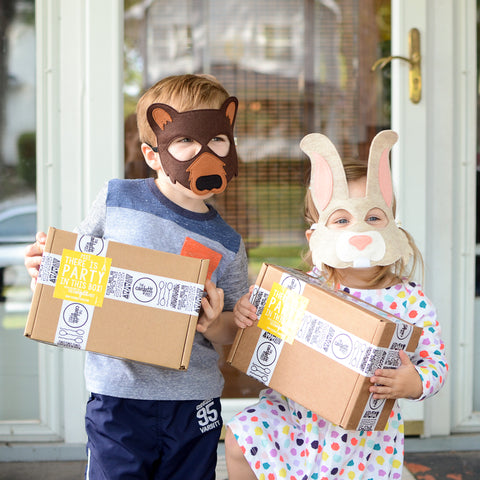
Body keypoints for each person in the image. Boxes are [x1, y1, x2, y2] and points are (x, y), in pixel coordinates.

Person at [24, 74, 249, 480]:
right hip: (118, 392)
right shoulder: (117, 199)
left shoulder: (228, 243)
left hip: (192, 398)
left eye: (217, 140)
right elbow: (71, 274)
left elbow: (235, 329)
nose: (205, 152)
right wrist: (44, 270)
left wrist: (216, 323)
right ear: (153, 155)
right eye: (185, 141)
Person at [226, 130, 448, 480]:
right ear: (316, 235)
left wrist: (415, 381)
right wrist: (247, 313)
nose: (358, 231)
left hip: (363, 441)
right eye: (341, 220)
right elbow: (264, 334)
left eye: (373, 218)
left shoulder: (409, 300)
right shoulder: (307, 287)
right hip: (295, 419)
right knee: (240, 442)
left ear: (393, 226)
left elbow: (434, 363)